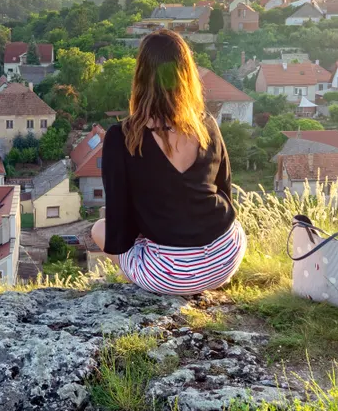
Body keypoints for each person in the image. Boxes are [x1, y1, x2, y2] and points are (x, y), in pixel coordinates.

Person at [91, 30, 245, 295]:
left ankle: (160, 277)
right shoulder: (208, 125)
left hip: (171, 275)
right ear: (186, 75)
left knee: (97, 228)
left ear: (141, 76)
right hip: (226, 257)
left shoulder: (123, 137)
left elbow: (118, 230)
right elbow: (225, 191)